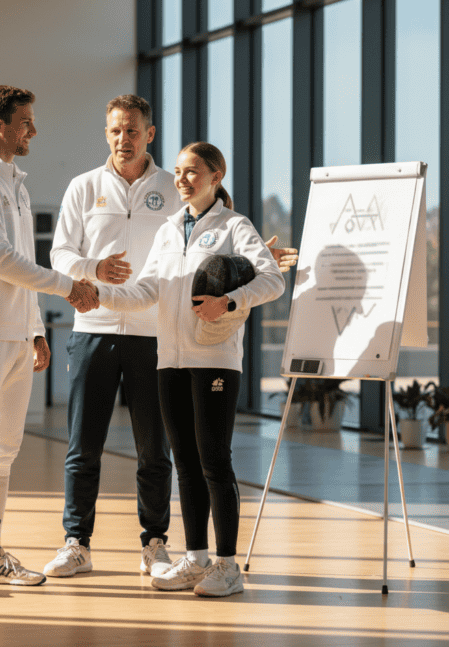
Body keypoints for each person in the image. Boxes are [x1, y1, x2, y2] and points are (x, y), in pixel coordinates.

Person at [45, 95, 296, 579]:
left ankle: (190, 553)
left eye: (133, 130)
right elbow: (133, 282)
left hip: (185, 349)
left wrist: (235, 291)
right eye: (116, 130)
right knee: (129, 453)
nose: (124, 139)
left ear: (149, 134)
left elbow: (252, 271)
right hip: (135, 346)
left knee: (187, 458)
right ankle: (109, 546)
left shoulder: (207, 210)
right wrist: (94, 287)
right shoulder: (119, 204)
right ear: (107, 132)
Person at [95, 141, 286, 598]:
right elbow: (147, 291)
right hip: (171, 360)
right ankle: (196, 557)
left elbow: (273, 280)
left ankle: (227, 565)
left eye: (191, 171)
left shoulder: (235, 226)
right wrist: (97, 293)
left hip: (213, 360)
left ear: (215, 177)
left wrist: (229, 301)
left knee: (215, 462)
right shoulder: (167, 230)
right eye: (177, 171)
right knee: (185, 463)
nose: (181, 179)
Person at [0, 85, 99, 597]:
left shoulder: (19, 185)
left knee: (3, 451)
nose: (33, 130)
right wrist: (69, 287)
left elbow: (23, 259)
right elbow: (1, 260)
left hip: (14, 336)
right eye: (25, 121)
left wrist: (35, 328)